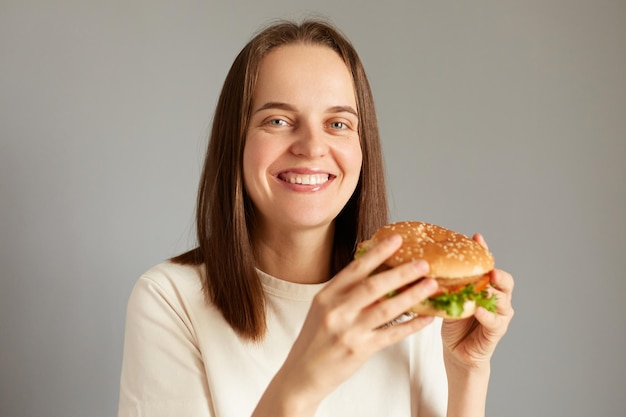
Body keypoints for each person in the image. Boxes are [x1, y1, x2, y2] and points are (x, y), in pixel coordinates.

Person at [118, 19, 514, 417]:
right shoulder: (170, 300)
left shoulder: (412, 297)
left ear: (363, 148)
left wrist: (467, 371)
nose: (311, 147)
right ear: (235, 140)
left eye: (337, 123)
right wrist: (301, 384)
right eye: (278, 121)